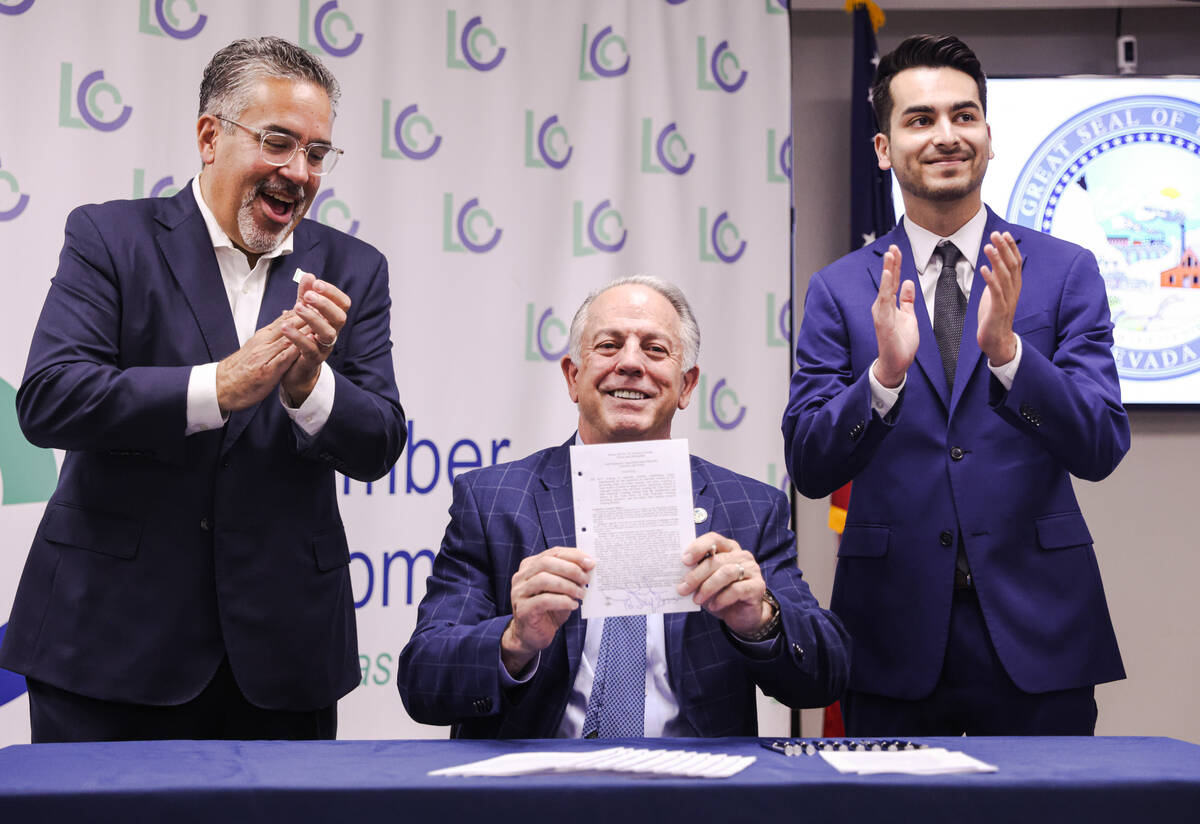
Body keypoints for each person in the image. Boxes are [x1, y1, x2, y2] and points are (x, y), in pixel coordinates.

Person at [0, 36, 406, 742]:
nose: (298, 172)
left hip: (284, 659)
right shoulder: (111, 237)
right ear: (210, 136)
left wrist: (310, 387)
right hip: (106, 647)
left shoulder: (353, 268)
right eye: (278, 142)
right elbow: (51, 397)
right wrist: (218, 386)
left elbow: (378, 443)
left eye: (316, 154)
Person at [783, 35, 1129, 736]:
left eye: (964, 116)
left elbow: (1100, 445)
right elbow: (810, 467)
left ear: (989, 137)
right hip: (889, 633)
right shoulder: (841, 289)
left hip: (1041, 630)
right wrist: (882, 377)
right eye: (921, 120)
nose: (947, 135)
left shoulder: (1065, 272)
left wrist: (1009, 354)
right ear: (884, 148)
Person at [397, 276, 849, 738]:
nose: (630, 363)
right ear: (573, 376)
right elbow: (422, 680)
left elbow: (826, 676)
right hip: (536, 793)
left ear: (687, 385)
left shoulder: (751, 508)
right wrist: (513, 641)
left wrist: (761, 621)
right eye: (609, 345)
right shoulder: (492, 500)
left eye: (655, 349)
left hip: (695, 795)